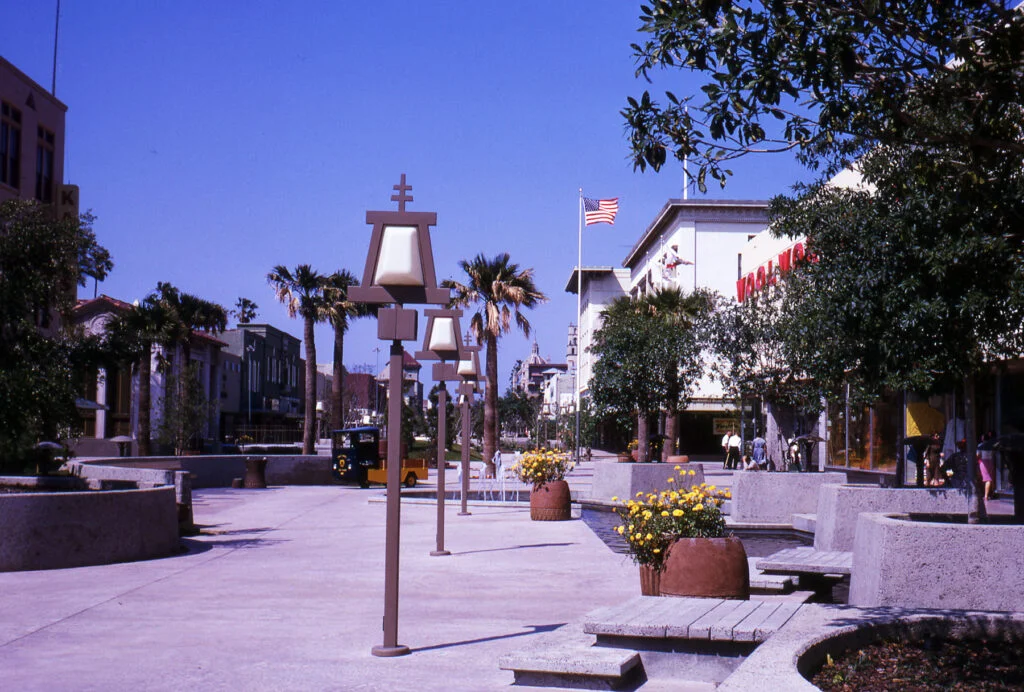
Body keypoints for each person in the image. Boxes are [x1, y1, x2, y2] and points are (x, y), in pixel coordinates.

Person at [978, 431, 996, 501]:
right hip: (990, 461)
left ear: (983, 438)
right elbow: (993, 453)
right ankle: (991, 493)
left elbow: (978, 455)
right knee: (990, 478)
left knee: (987, 479)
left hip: (983, 461)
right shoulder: (991, 445)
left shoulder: (980, 445)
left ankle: (986, 496)